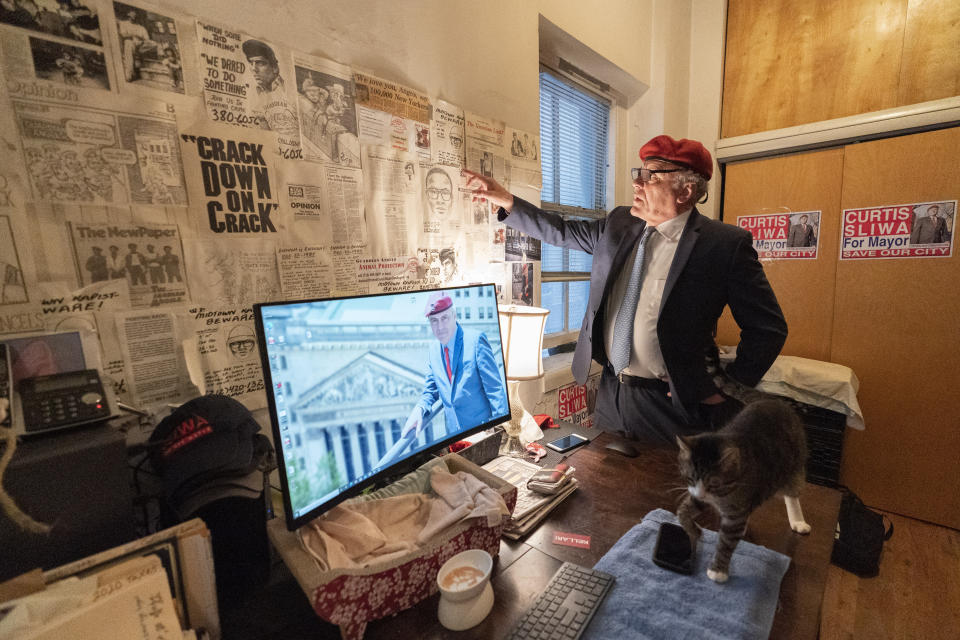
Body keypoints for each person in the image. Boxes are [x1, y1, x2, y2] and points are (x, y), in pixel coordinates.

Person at [464, 134, 787, 446]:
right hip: (611, 392)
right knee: (609, 488)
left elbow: (768, 328)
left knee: (667, 492)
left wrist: (727, 387)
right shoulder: (619, 224)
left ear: (686, 190)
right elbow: (561, 231)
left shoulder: (723, 245)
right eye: (639, 173)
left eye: (651, 176)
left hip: (675, 405)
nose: (637, 183)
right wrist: (506, 199)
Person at [402, 292, 508, 439]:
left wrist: (498, 432)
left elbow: (495, 390)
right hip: (454, 435)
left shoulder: (476, 341)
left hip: (482, 432)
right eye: (434, 321)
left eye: (444, 318)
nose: (440, 327)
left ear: (454, 315)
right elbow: (431, 390)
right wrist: (419, 409)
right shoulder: (433, 350)